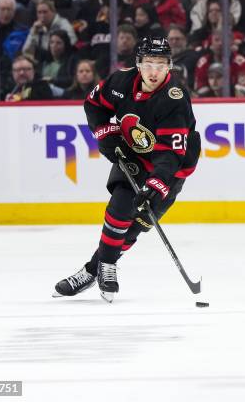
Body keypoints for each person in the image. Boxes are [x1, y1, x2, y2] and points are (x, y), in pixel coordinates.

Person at [52, 37, 201, 303]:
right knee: (122, 205)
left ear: (169, 66)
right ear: (138, 64)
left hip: (171, 169)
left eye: (160, 64)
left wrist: (156, 185)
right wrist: (105, 131)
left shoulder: (174, 98)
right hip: (134, 154)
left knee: (134, 228)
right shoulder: (120, 82)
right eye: (148, 64)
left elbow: (170, 154)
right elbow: (94, 104)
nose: (154, 71)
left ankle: (91, 271)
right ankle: (107, 269)